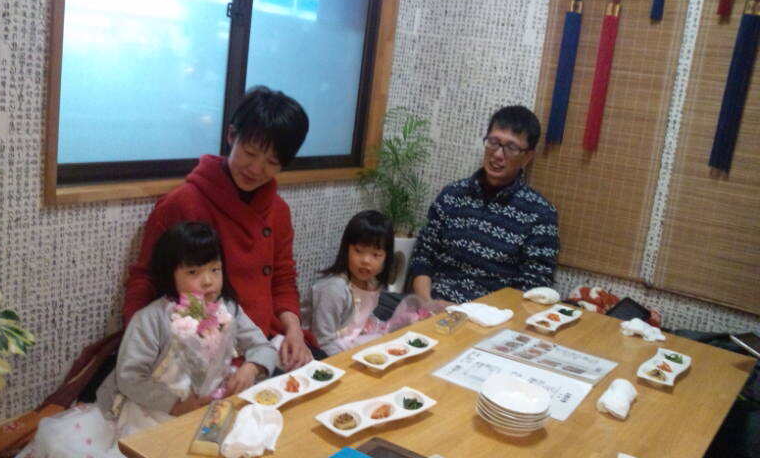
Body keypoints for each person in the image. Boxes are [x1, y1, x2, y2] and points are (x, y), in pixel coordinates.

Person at [18, 222, 277, 458]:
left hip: (211, 405)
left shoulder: (228, 309)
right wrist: (176, 406)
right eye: (193, 272)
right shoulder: (151, 319)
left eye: (215, 269)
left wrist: (252, 366)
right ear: (170, 274)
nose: (208, 281)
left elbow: (262, 346)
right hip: (154, 408)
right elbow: (130, 377)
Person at [123, 86, 318, 371]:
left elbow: (282, 280)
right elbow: (146, 280)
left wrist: (294, 331)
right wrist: (141, 345)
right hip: (199, 344)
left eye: (272, 162)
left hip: (264, 338)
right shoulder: (182, 203)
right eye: (250, 153)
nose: (256, 169)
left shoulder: (278, 211)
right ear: (231, 136)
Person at [409, 105, 559, 305]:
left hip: (490, 318)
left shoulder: (540, 215)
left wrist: (463, 313)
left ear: (527, 157)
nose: (498, 154)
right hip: (430, 307)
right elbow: (422, 258)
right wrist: (428, 305)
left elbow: (533, 290)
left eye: (511, 148)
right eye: (493, 142)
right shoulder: (452, 195)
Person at [300, 210, 395, 356]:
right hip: (315, 352)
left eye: (376, 254)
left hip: (348, 344)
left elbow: (360, 319)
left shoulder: (372, 283)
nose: (366, 261)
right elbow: (321, 342)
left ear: (386, 258)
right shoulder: (334, 289)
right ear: (346, 249)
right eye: (358, 251)